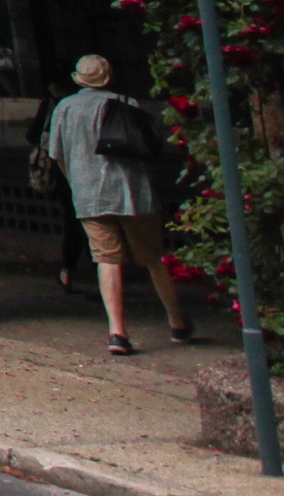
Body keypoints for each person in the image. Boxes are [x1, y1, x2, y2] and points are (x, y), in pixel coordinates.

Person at [48, 55, 197, 355]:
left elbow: (57, 155)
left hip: (90, 194)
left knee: (106, 258)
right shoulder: (127, 103)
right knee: (154, 257)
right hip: (133, 192)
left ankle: (118, 332)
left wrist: (77, 181)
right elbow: (149, 147)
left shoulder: (64, 108)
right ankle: (177, 322)